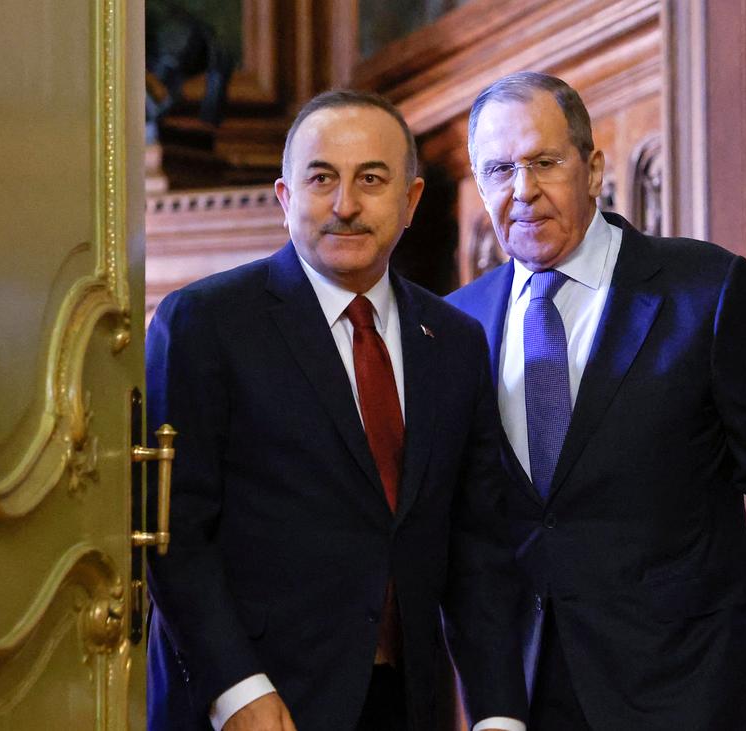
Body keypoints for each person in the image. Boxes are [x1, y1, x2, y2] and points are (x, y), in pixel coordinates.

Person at [145, 89, 527, 731]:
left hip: (403, 705)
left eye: (370, 180)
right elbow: (174, 532)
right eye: (321, 179)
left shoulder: (455, 341)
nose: (345, 204)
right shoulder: (205, 324)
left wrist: (498, 714)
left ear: (410, 201)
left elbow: (477, 547)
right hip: (253, 703)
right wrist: (236, 690)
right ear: (285, 197)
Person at [447, 71, 746, 729]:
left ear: (592, 169)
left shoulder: (703, 290)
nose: (523, 190)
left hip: (682, 688)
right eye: (500, 170)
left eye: (544, 162)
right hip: (525, 693)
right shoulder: (455, 324)